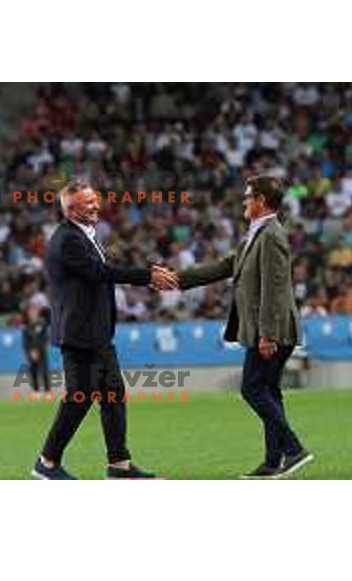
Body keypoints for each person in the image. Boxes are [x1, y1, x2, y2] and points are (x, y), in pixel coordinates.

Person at [32, 179, 178, 480]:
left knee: (113, 395)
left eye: (95, 200)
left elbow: (100, 274)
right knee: (80, 397)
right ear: (71, 209)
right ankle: (47, 462)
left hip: (94, 333)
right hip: (80, 334)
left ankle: (119, 464)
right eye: (88, 202)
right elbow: (99, 273)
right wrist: (146, 276)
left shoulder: (85, 236)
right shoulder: (68, 239)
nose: (96, 205)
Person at [177, 174, 313, 479]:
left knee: (252, 389)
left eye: (248, 196)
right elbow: (226, 266)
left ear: (261, 201)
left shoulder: (272, 235)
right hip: (270, 329)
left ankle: (293, 450)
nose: (244, 201)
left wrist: (267, 334)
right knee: (269, 392)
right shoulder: (256, 233)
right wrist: (179, 279)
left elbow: (275, 289)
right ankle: (272, 461)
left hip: (272, 330)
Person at [23, 306, 50, 394]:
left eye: (35, 312)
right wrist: (31, 351)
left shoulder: (42, 325)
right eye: (31, 312)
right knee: (33, 371)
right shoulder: (27, 328)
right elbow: (26, 341)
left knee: (44, 370)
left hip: (41, 351)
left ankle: (47, 391)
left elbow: (45, 338)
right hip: (31, 353)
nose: (33, 314)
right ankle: (36, 391)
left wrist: (40, 349)